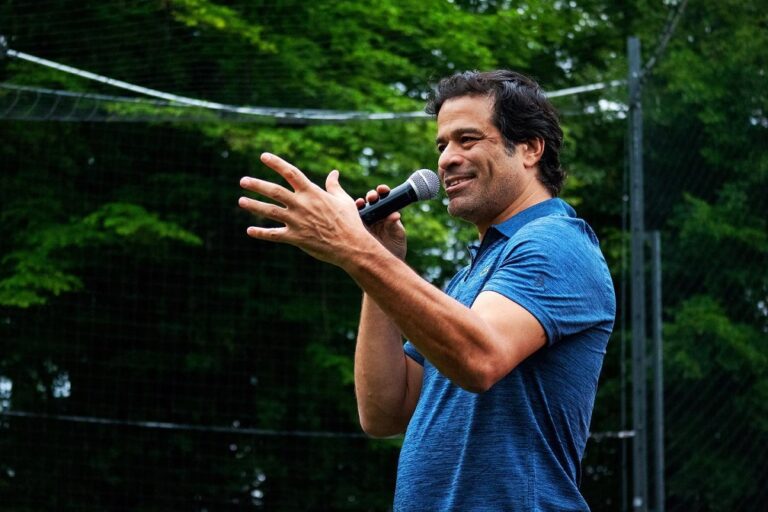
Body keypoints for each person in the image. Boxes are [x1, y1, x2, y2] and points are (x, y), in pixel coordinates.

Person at [238, 70, 615, 511]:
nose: (447, 159)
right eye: (442, 146)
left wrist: (355, 249)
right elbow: (385, 410)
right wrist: (379, 262)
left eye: (467, 139)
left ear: (531, 148)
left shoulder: (557, 242)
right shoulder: (468, 280)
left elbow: (479, 358)